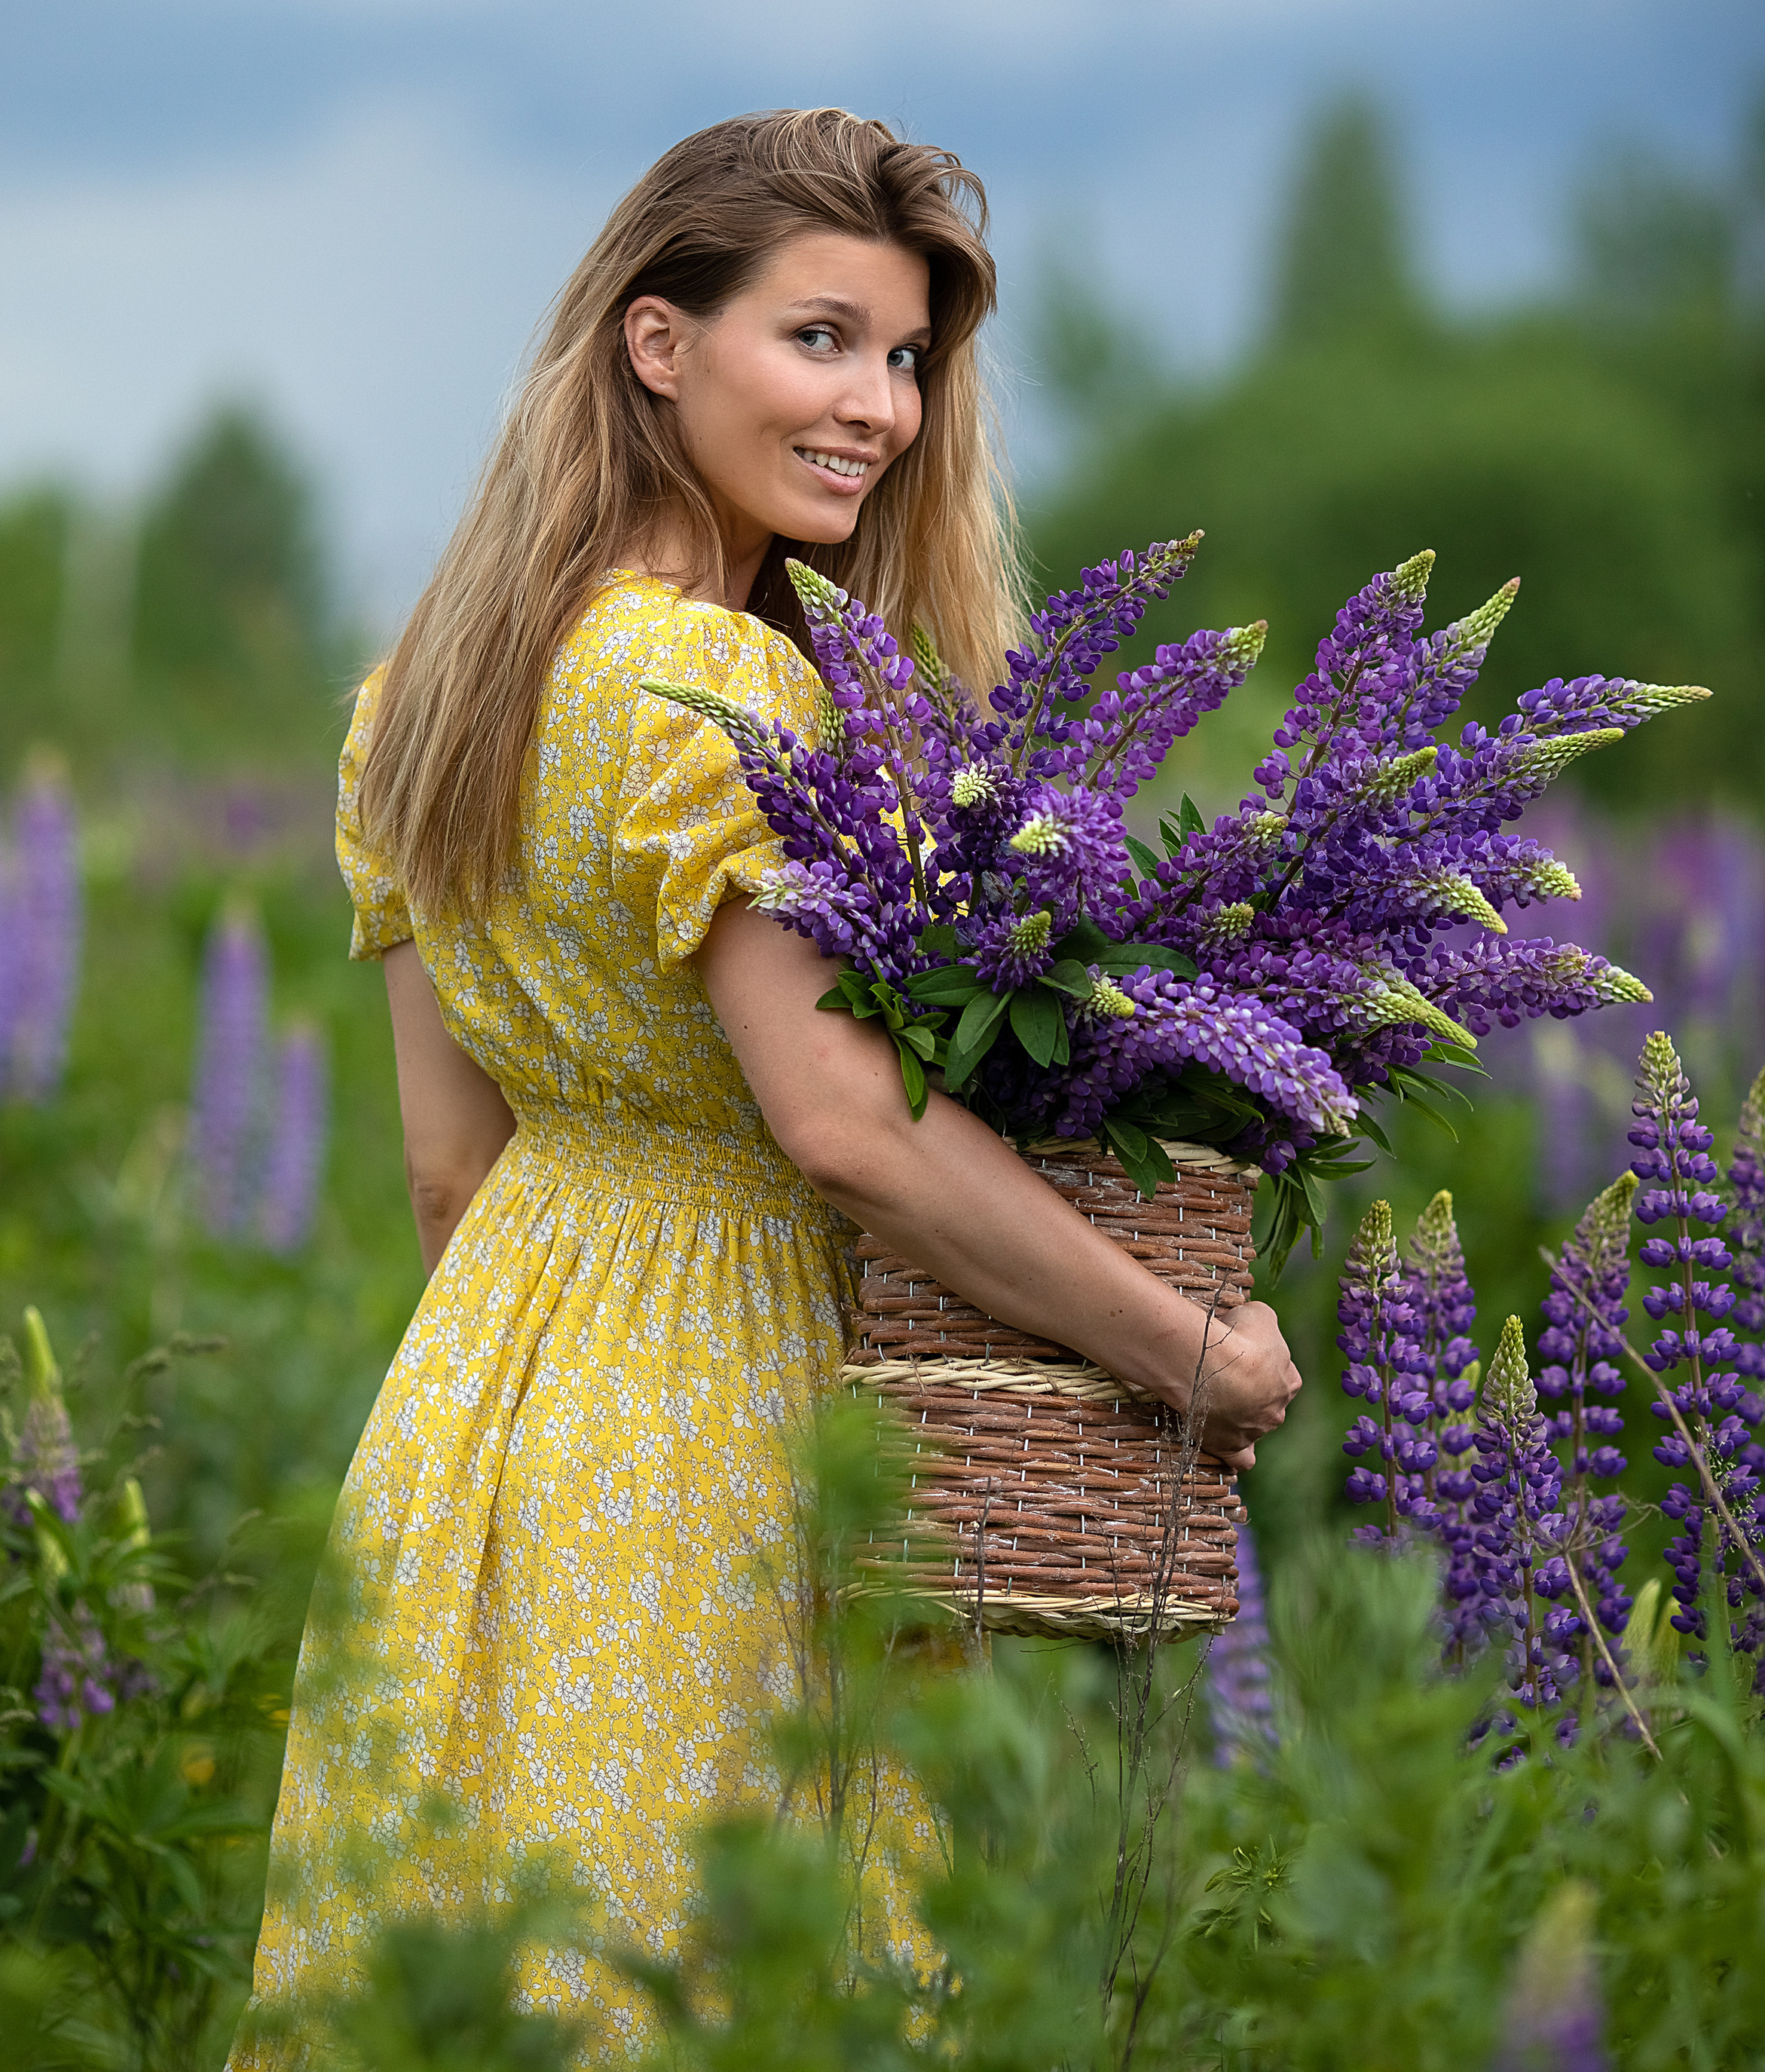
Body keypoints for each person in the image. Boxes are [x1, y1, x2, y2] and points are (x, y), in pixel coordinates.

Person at [228, 109, 1299, 2065]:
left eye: (903, 360)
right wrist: (1183, 1349)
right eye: (819, 340)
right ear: (660, 344)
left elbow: (448, 1178)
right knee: (754, 1987)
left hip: (485, 1421)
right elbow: (838, 1129)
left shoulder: (423, 698)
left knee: (472, 1973)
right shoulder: (744, 697)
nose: (881, 407)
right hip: (731, 1434)